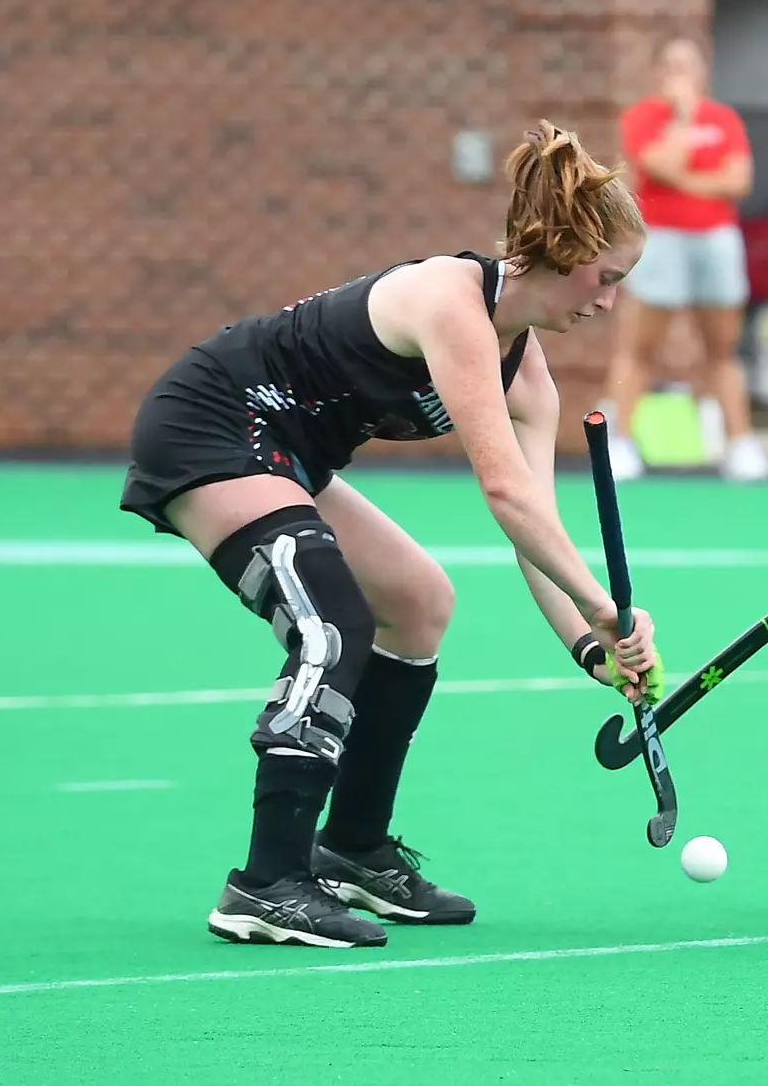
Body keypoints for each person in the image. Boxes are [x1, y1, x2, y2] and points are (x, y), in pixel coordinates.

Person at [119, 122, 663, 948]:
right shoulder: (450, 299)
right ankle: (266, 883)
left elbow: (535, 530)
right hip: (214, 421)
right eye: (608, 276)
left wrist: (595, 648)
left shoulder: (531, 376)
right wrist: (605, 607)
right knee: (331, 624)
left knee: (416, 602)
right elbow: (501, 489)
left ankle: (352, 846)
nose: (609, 300)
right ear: (564, 246)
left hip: (290, 451)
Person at [603, 36, 768, 482]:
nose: (682, 73)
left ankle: (740, 444)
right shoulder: (644, 117)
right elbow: (658, 165)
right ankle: (621, 441)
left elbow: (738, 181)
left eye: (690, 64)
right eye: (672, 64)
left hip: (716, 238)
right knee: (641, 346)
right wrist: (682, 119)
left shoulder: (723, 118)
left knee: (721, 348)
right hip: (662, 239)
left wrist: (687, 180)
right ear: (658, 72)